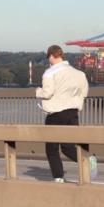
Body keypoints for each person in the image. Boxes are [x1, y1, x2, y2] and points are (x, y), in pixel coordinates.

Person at [35, 45, 91, 183]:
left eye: (49, 57)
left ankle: (58, 177)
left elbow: (47, 93)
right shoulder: (79, 74)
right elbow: (84, 93)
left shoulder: (50, 73)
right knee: (68, 147)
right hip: (72, 113)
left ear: (51, 56)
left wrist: (38, 92)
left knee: (52, 148)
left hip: (56, 114)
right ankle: (87, 160)